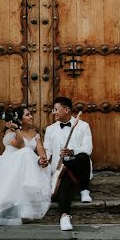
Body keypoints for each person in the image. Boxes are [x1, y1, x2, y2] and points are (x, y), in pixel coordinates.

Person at [41, 96, 93, 231]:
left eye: (56, 109)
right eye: (53, 110)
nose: (54, 112)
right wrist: (44, 159)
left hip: (79, 166)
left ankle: (84, 189)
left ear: (66, 110)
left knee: (82, 157)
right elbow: (47, 150)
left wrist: (71, 152)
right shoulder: (50, 129)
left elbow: (88, 149)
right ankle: (64, 216)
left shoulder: (83, 126)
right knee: (64, 179)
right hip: (60, 168)